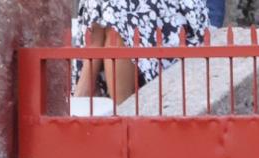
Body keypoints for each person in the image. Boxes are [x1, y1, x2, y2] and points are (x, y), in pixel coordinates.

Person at [73, 0, 208, 106]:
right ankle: (119, 112)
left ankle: (114, 106)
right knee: (111, 13)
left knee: (116, 16)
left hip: (169, 10)